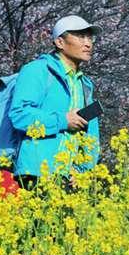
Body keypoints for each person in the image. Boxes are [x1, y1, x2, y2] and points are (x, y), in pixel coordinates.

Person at [8, 15, 101, 189]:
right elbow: (19, 115)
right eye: (80, 36)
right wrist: (63, 120)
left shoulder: (85, 84)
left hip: (71, 178)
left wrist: (84, 171)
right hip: (37, 172)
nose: (88, 43)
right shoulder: (37, 71)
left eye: (90, 38)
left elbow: (92, 134)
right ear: (60, 42)